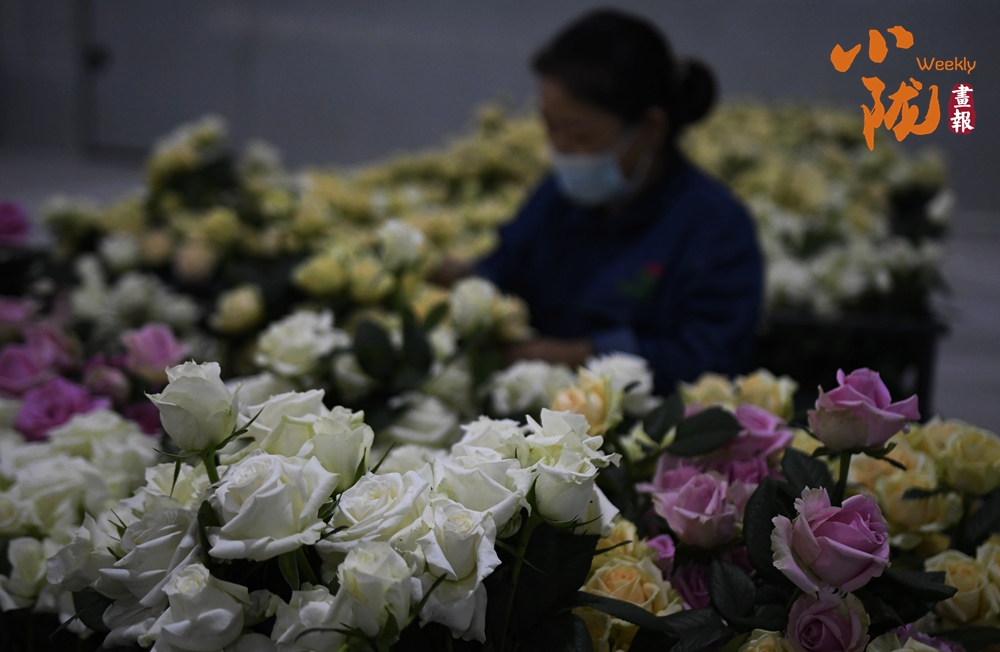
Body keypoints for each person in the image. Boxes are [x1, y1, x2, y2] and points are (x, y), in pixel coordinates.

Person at [435, 8, 763, 395]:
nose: (559, 149)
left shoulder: (714, 227)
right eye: (550, 128)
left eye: (579, 137)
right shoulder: (557, 198)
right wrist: (463, 281)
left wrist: (580, 356)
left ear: (650, 129)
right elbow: (507, 268)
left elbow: (708, 358)